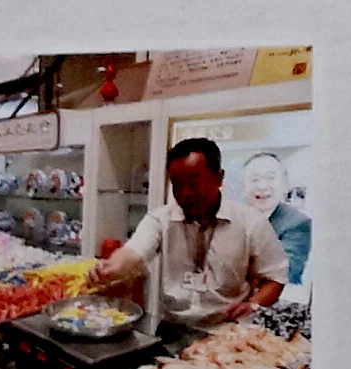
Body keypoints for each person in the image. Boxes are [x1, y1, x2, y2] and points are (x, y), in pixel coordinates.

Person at [94, 138, 285, 334]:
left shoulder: (250, 222)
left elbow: (276, 277)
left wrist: (253, 304)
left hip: (226, 331)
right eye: (177, 184)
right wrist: (112, 267)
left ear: (219, 178)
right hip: (172, 329)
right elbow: (134, 251)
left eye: (194, 183)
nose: (185, 193)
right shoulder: (161, 219)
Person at [239, 151, 313, 293]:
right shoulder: (234, 219)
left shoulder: (297, 223)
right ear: (243, 187)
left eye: (270, 178)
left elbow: (284, 273)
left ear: (284, 184)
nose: (262, 186)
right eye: (255, 180)